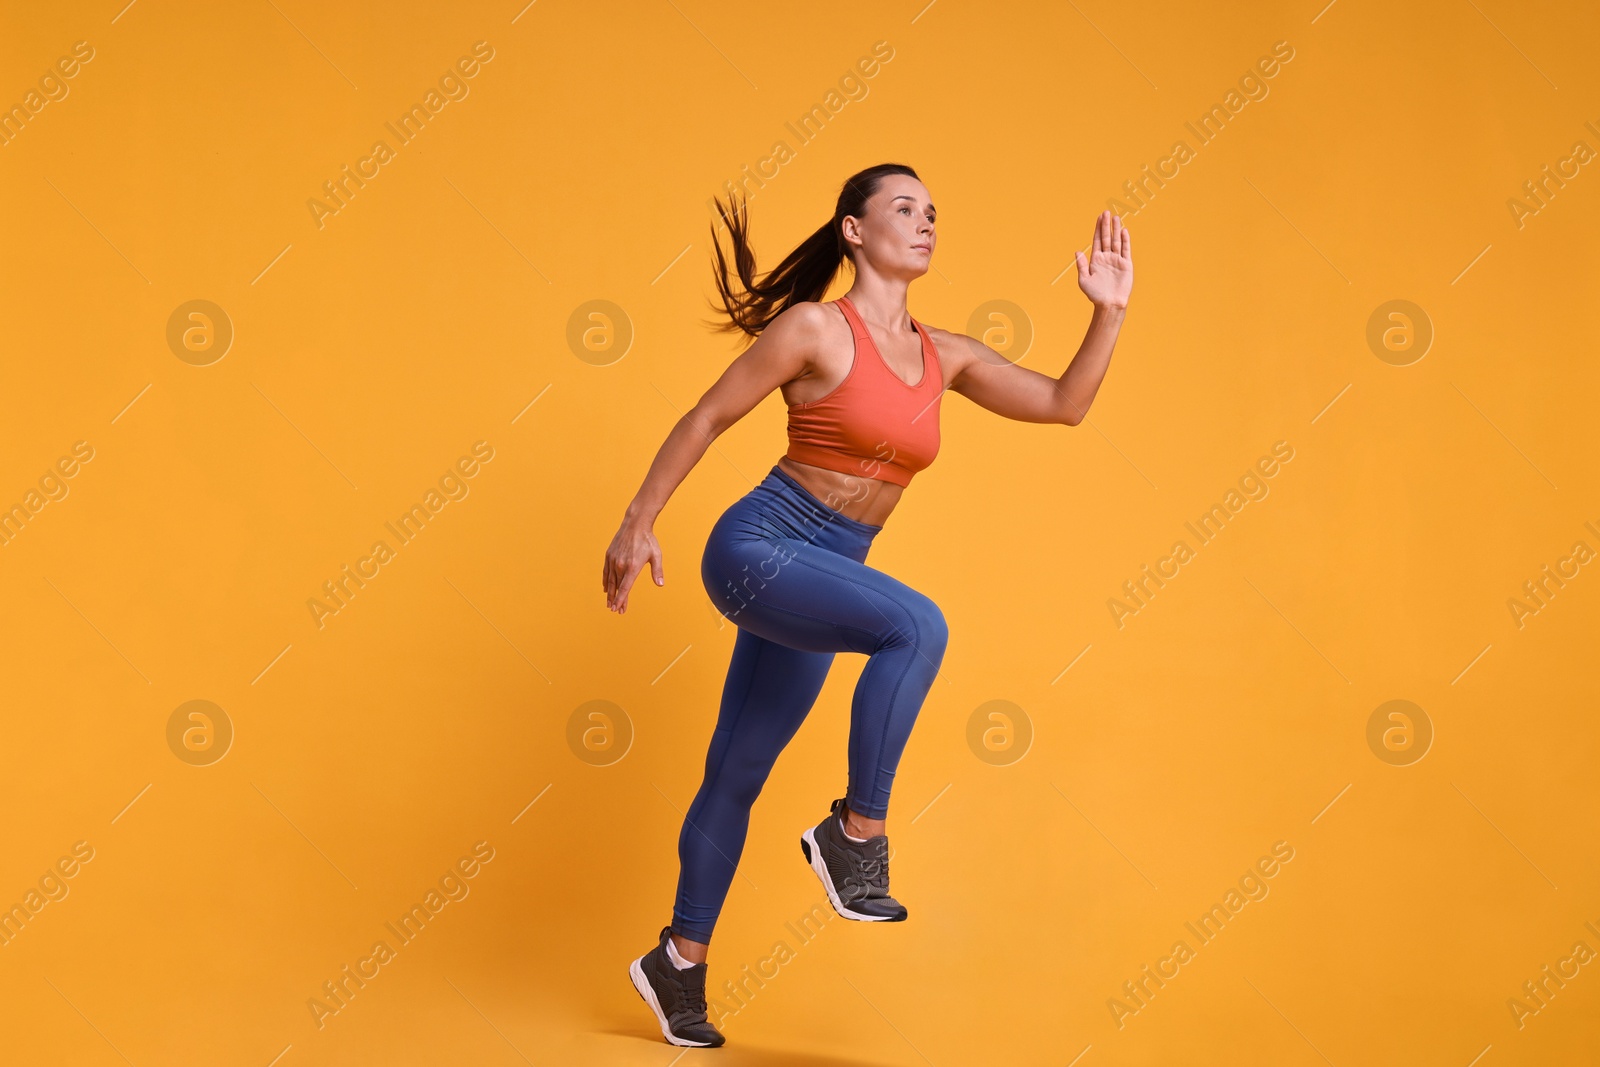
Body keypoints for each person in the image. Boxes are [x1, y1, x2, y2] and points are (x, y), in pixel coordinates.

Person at [608, 163, 1133, 1047]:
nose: (925, 222)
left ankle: (679, 963)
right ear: (854, 230)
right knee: (917, 625)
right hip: (760, 548)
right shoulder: (815, 328)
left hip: (829, 571)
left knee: (737, 770)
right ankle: (855, 833)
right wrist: (638, 520)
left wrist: (1107, 313)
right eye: (903, 208)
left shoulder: (949, 356)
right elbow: (705, 418)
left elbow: (1063, 404)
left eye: (934, 211)